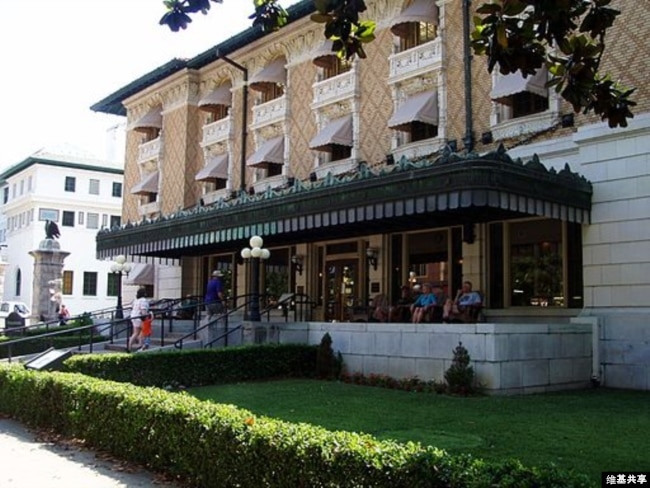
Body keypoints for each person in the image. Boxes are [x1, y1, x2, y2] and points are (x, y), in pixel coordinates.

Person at [128, 287, 149, 352]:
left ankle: (129, 346)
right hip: (140, 318)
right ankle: (141, 345)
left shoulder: (136, 300)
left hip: (134, 317)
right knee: (144, 332)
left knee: (135, 333)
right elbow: (143, 310)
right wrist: (146, 317)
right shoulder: (143, 300)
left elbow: (133, 308)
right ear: (144, 293)